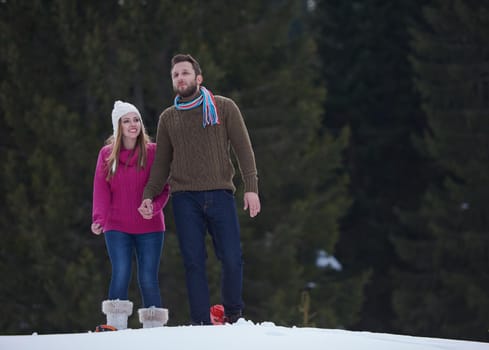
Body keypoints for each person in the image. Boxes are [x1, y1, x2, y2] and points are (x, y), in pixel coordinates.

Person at [139, 54, 261, 325]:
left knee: (231, 258)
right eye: (175, 75)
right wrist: (149, 194)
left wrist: (250, 187)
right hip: (184, 198)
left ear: (198, 78)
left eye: (185, 73)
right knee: (193, 262)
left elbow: (243, 148)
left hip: (220, 193)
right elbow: (161, 164)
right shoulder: (168, 118)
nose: (180, 78)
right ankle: (200, 323)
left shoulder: (224, 107)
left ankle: (233, 314)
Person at [91, 100, 171, 330]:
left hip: (151, 227)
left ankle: (154, 331)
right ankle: (115, 327)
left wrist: (153, 207)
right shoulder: (107, 155)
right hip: (116, 226)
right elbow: (101, 189)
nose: (133, 124)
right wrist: (99, 218)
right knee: (121, 272)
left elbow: (164, 188)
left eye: (136, 119)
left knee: (148, 278)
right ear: (119, 127)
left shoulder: (154, 152)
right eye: (127, 121)